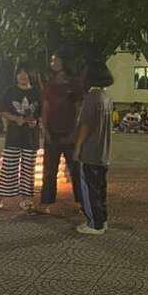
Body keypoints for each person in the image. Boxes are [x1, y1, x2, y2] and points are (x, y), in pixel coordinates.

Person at [0, 63, 42, 213]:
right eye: (20, 73)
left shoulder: (37, 92)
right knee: (8, 167)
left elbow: (41, 112)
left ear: (31, 75)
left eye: (26, 73)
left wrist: (36, 121)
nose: (23, 76)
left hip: (31, 136)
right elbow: (3, 111)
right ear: (16, 75)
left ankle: (27, 200)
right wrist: (16, 118)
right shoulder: (10, 91)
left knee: (28, 169)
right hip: (14, 135)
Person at [38, 51, 83, 214]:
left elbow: (78, 109)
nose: (53, 63)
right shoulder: (49, 84)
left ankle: (81, 202)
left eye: (56, 60)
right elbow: (45, 108)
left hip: (70, 134)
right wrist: (45, 130)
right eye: (51, 60)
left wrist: (74, 132)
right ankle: (46, 202)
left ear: (64, 61)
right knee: (49, 171)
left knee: (75, 171)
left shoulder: (73, 84)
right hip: (52, 134)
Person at [74, 59, 114, 235]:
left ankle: (94, 224)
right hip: (103, 151)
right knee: (100, 188)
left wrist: (77, 148)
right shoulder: (106, 97)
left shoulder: (91, 97)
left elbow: (85, 125)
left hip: (90, 151)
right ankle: (102, 220)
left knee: (89, 189)